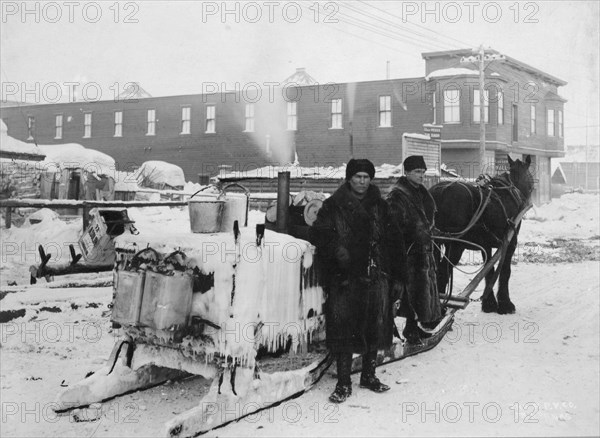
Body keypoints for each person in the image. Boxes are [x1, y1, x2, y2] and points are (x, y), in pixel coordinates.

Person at [309, 158, 396, 403]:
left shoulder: (380, 205)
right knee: (344, 328)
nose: (362, 181)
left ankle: (369, 375)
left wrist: (397, 275)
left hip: (375, 274)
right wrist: (338, 251)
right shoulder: (333, 205)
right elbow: (318, 232)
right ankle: (343, 383)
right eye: (358, 176)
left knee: (374, 325)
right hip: (345, 277)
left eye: (366, 177)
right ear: (349, 178)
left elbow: (394, 239)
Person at [387, 155, 443, 344]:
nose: (421, 176)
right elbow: (393, 227)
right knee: (408, 294)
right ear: (407, 172)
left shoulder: (420, 192)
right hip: (407, 253)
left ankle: (416, 328)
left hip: (422, 252)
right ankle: (408, 332)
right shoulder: (397, 195)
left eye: (423, 172)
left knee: (421, 292)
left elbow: (426, 220)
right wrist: (409, 240)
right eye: (417, 172)